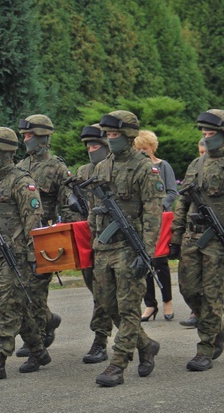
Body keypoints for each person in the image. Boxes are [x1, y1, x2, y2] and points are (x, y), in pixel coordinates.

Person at [170, 109, 224, 372]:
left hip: (219, 240)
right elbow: (182, 201)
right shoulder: (196, 164)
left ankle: (206, 348)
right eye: (204, 133)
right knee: (188, 289)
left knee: (213, 294)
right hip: (192, 237)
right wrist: (175, 235)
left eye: (211, 133)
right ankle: (219, 328)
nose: (206, 137)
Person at [88, 111, 163, 387]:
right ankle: (146, 345)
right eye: (107, 134)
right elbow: (93, 208)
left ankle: (117, 363)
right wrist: (95, 239)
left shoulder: (145, 168)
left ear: (129, 136)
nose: (110, 139)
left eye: (115, 134)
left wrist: (147, 252)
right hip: (104, 246)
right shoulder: (101, 166)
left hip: (130, 248)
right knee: (108, 306)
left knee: (129, 307)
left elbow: (153, 213)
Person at [0, 127, 49, 381]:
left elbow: (33, 223)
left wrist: (31, 258)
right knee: (17, 307)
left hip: (16, 256)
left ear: (6, 152)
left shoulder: (21, 181)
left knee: (6, 307)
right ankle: (38, 349)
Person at [13, 114, 64, 358]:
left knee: (36, 289)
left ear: (43, 136)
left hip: (46, 236)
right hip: (20, 237)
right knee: (23, 289)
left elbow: (68, 207)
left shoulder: (57, 167)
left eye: (30, 135)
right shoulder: (20, 167)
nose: (25, 140)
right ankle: (46, 322)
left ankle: (40, 335)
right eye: (23, 136)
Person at [73, 124, 115, 364]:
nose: (91, 149)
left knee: (107, 295)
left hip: (116, 241)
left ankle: (101, 341)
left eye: (96, 145)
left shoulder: (117, 169)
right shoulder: (84, 171)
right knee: (98, 292)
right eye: (88, 146)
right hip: (91, 239)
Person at [134, 130, 178, 322]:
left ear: (152, 147)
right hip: (140, 222)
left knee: (160, 262)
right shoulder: (135, 168)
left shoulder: (163, 166)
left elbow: (172, 192)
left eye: (145, 148)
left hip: (159, 220)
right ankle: (150, 304)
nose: (142, 152)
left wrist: (158, 206)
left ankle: (167, 300)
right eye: (138, 149)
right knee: (144, 262)